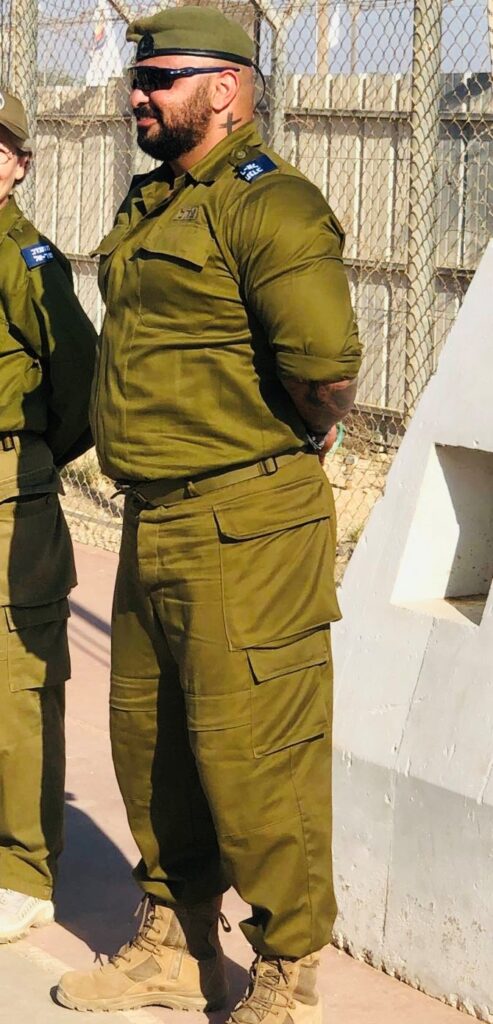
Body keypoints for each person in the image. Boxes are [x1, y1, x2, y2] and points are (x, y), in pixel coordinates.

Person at [56, 7, 361, 1021]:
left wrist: (292, 440)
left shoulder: (269, 206)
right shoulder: (157, 202)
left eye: (162, 77)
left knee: (256, 755)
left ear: (226, 88)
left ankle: (286, 973)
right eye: (138, 78)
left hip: (248, 523)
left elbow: (324, 367)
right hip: (154, 517)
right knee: (151, 745)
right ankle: (176, 944)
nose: (138, 92)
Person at [0, 90, 96, 942]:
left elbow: (80, 391)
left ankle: (23, 867)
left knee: (18, 687)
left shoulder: (29, 262)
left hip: (7, 498)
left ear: (18, 164)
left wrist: (26, 466)